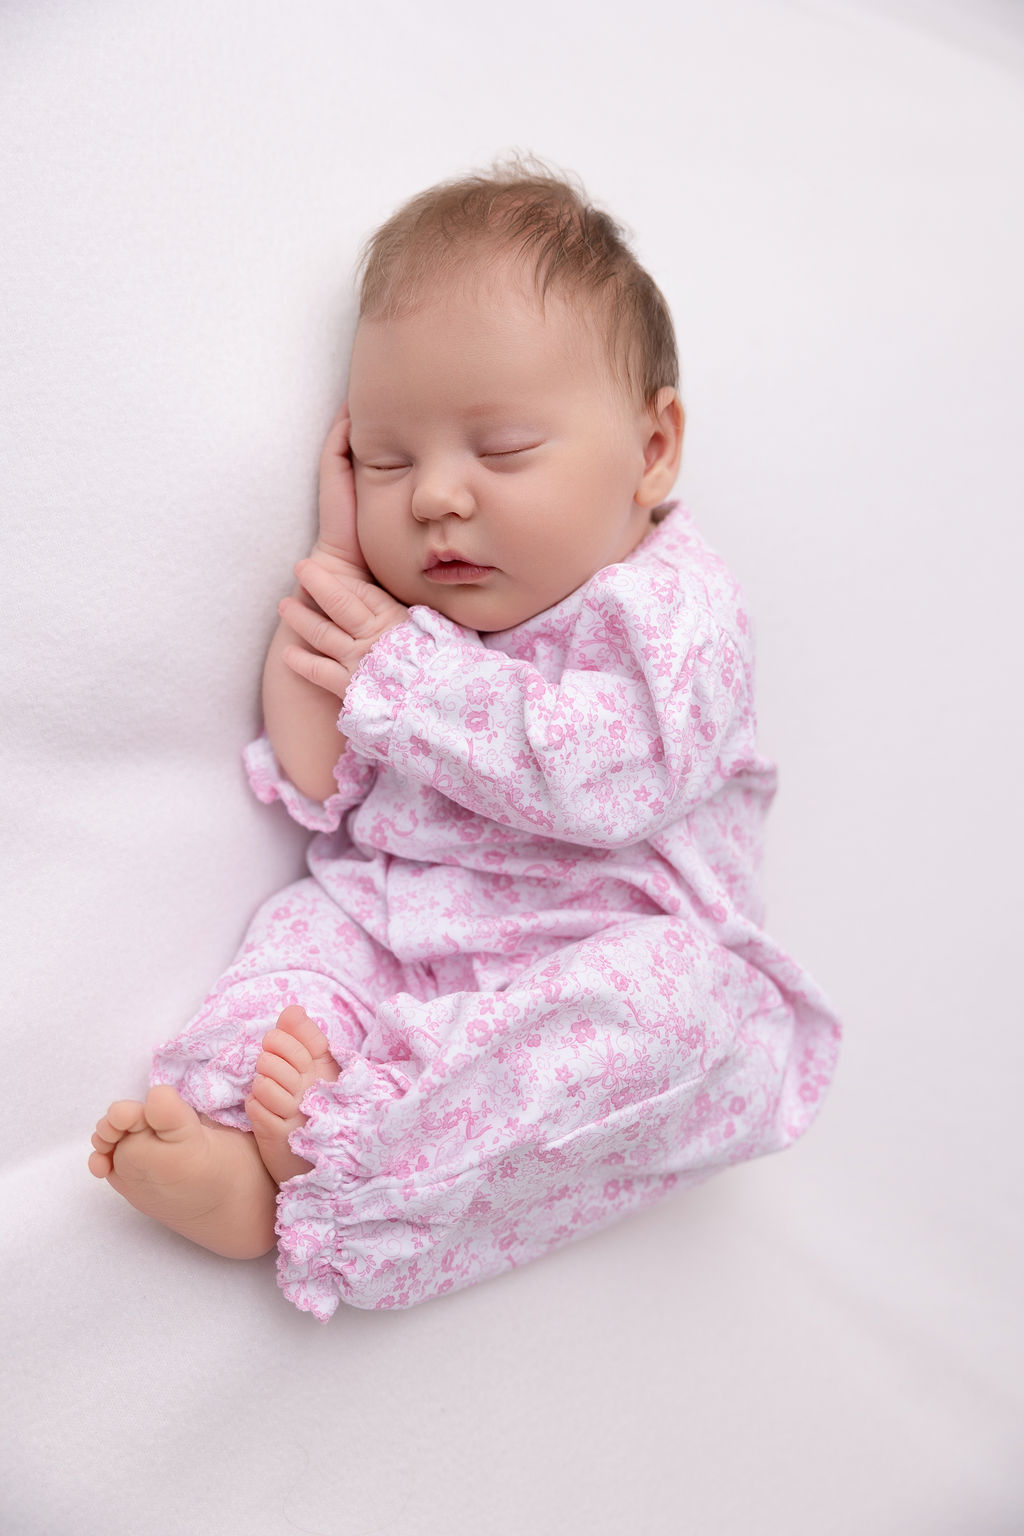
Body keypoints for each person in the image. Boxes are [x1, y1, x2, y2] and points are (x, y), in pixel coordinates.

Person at [88, 161, 840, 1318]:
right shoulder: (411, 626)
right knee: (298, 940)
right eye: (390, 460)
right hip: (402, 933)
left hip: (598, 953)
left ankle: (357, 1166)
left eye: (497, 452)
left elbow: (612, 778)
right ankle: (243, 1154)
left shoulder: (666, 609)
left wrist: (398, 667)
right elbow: (318, 780)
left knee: (678, 1003)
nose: (437, 495)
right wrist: (338, 581)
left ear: (650, 450)